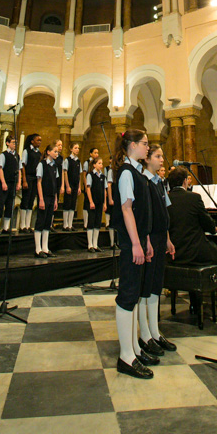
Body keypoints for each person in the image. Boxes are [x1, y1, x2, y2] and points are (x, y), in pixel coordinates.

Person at [111, 129, 155, 379]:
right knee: (127, 296)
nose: (147, 148)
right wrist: (136, 244)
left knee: (136, 294)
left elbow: (141, 212)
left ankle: (135, 348)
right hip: (130, 242)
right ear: (132, 145)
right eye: (144, 144)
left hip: (139, 239)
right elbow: (127, 210)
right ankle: (125, 356)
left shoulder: (136, 171)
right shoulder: (126, 172)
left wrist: (146, 239)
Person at [138, 144, 176, 358]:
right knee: (146, 286)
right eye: (158, 156)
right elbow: (144, 214)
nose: (162, 160)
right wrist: (147, 240)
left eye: (162, 156)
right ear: (148, 159)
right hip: (149, 239)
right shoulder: (143, 182)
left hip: (161, 237)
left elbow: (164, 212)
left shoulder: (160, 182)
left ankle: (155, 331)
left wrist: (168, 239)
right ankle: (145, 334)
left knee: (156, 285)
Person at [166, 166, 217, 266]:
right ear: (184, 181)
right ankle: (216, 280)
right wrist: (213, 228)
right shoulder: (194, 197)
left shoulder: (165, 199)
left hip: (172, 252)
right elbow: (206, 222)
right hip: (194, 252)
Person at [0, 136, 20, 234]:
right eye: (12, 142)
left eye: (16, 142)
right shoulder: (4, 155)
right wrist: (3, 182)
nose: (14, 144)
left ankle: (6, 227)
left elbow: (19, 170)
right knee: (0, 203)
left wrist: (18, 182)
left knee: (10, 204)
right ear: (7, 143)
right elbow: (0, 168)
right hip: (5, 181)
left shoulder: (17, 155)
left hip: (13, 182)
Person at [34, 142, 59, 257]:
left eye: (57, 152)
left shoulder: (55, 166)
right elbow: (39, 182)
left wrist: (55, 199)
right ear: (48, 152)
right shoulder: (42, 164)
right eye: (55, 151)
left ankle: (45, 247)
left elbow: (55, 184)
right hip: (43, 196)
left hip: (51, 196)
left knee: (47, 222)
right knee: (40, 221)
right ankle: (38, 249)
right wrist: (41, 198)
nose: (56, 154)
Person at [19, 133, 42, 232]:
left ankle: (28, 225)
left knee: (31, 201)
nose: (40, 142)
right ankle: (22, 225)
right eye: (38, 140)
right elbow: (23, 165)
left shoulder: (38, 153)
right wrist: (24, 179)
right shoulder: (27, 151)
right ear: (32, 141)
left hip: (35, 178)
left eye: (40, 140)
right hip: (28, 176)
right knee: (25, 200)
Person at [86, 157, 107, 251]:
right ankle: (90, 244)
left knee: (97, 223)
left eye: (102, 163)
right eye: (99, 163)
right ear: (94, 165)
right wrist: (91, 201)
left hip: (100, 202)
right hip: (93, 202)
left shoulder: (103, 177)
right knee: (91, 222)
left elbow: (104, 190)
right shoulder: (90, 175)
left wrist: (105, 203)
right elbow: (88, 188)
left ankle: (95, 244)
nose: (101, 165)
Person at [62, 142, 81, 230]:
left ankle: (70, 224)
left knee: (73, 204)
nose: (77, 150)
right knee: (67, 204)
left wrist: (79, 187)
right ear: (71, 149)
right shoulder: (67, 160)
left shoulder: (78, 161)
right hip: (69, 184)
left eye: (78, 148)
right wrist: (67, 186)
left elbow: (79, 175)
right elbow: (65, 172)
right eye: (76, 148)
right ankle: (65, 224)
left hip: (75, 184)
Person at [82, 147, 98, 228]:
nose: (96, 154)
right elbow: (84, 175)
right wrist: (85, 185)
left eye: (97, 153)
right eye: (95, 153)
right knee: (86, 203)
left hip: (94, 186)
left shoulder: (97, 163)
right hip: (88, 185)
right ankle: (85, 222)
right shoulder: (86, 163)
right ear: (90, 154)